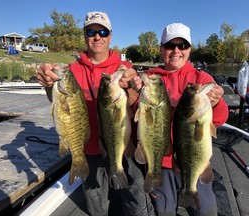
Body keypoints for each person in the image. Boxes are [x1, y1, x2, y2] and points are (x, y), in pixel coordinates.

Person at [37, 11, 155, 216]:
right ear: (85, 35)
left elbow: (139, 108)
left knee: (136, 202)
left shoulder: (124, 68)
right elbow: (59, 103)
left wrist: (132, 90)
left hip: (123, 144)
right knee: (97, 207)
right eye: (91, 31)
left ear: (110, 36)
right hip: (89, 151)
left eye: (103, 31)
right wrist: (49, 84)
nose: (97, 36)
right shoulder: (71, 71)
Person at [130, 23, 229, 216]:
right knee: (164, 209)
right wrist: (133, 93)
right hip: (161, 161)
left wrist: (216, 103)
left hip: (194, 160)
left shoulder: (202, 78)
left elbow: (220, 119)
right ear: (161, 49)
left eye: (182, 46)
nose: (176, 51)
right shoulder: (150, 79)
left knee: (206, 210)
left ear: (189, 49)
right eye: (170, 46)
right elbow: (136, 117)